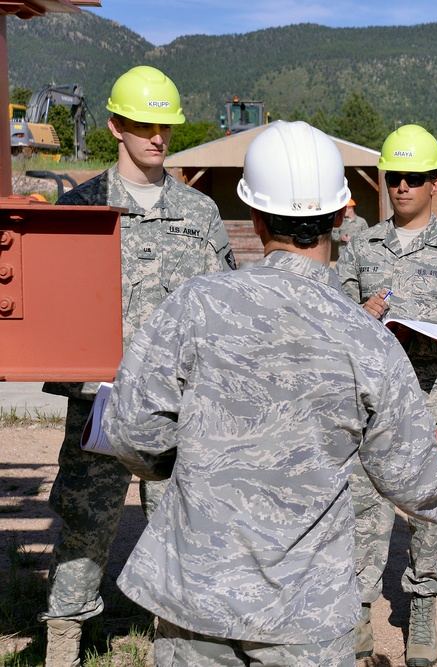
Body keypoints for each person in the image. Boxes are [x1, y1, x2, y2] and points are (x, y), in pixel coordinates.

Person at [101, 120, 437, 667]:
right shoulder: (367, 338)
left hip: (195, 595)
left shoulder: (195, 304)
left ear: (256, 216)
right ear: (342, 217)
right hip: (305, 618)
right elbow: (416, 486)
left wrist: (183, 462)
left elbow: (129, 430)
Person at [39, 65, 236, 667]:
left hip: (178, 405)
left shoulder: (198, 213)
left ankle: (175, 644)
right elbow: (57, 312)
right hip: (101, 404)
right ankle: (63, 642)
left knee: (180, 524)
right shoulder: (82, 208)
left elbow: (222, 303)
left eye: (165, 126)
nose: (157, 136)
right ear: (115, 125)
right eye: (144, 124)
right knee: (84, 526)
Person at [336, 123, 437, 666]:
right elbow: (336, 318)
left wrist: (433, 333)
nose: (402, 186)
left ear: (434, 184)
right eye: (394, 177)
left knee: (429, 511)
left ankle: (422, 607)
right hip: (371, 403)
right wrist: (363, 317)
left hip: (433, 401)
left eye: (414, 178)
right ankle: (357, 612)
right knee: (364, 506)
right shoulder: (360, 246)